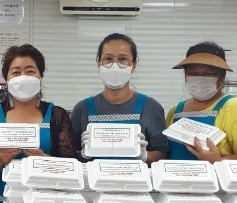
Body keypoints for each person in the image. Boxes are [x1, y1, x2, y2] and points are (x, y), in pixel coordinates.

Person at [0, 44, 76, 203]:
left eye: (30, 71)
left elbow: (71, 170)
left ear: (40, 77)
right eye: (16, 72)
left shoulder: (57, 116)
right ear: (7, 80)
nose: (23, 77)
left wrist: (45, 160)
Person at [70, 33, 168, 164]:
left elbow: (162, 155)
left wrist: (145, 156)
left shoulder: (151, 107)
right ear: (99, 64)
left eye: (123, 59)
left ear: (133, 66)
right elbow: (70, 156)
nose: (115, 65)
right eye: (108, 59)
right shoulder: (82, 109)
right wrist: (83, 154)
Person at [166, 42, 237, 162]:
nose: (200, 79)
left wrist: (218, 162)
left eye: (209, 74)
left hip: (217, 175)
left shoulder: (234, 107)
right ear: (185, 75)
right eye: (193, 73)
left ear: (222, 76)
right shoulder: (175, 111)